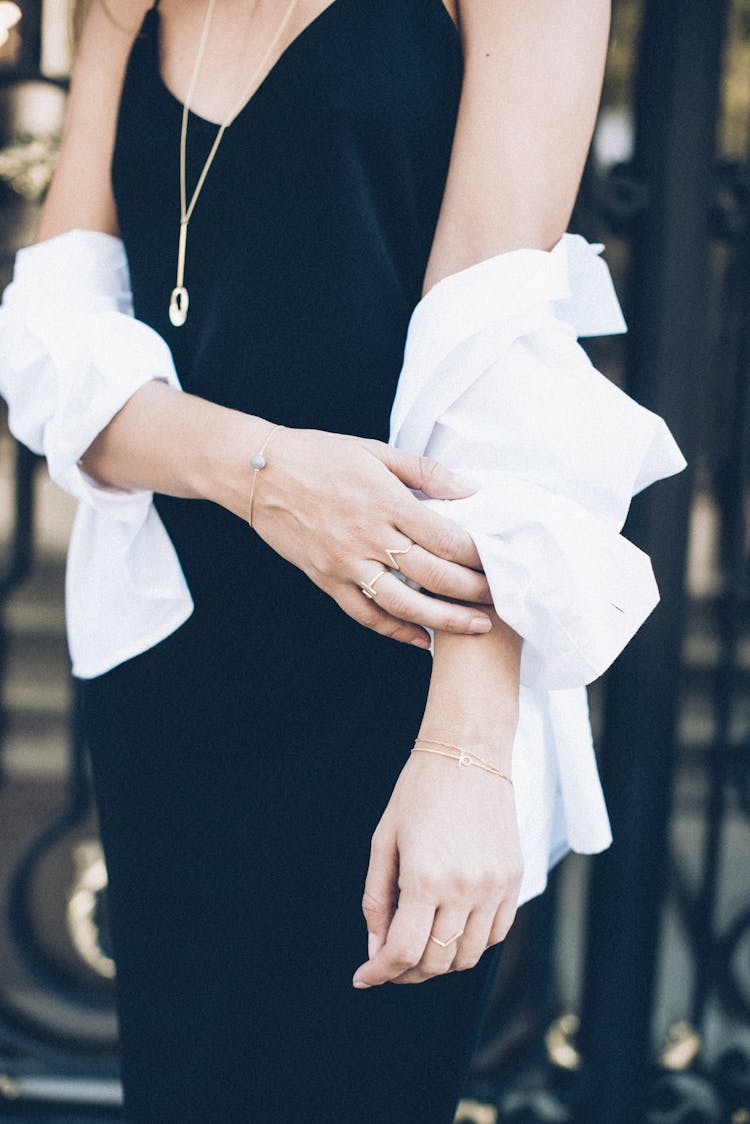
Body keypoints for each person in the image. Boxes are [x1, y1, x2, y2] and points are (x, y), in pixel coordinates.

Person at [0, 0, 686, 1120]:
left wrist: (467, 751)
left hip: (397, 679)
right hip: (169, 662)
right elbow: (46, 335)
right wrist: (260, 472)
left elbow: (495, 368)